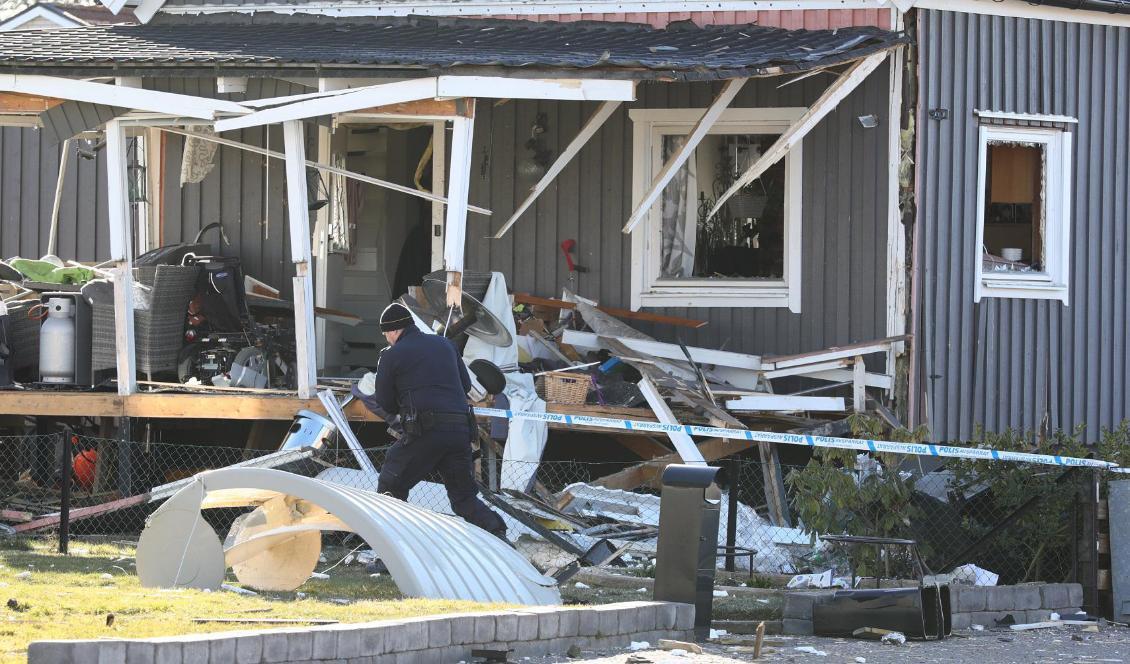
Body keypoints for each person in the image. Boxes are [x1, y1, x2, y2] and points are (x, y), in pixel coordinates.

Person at [352, 302, 508, 540]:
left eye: (386, 335)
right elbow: (466, 386)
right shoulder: (446, 345)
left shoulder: (391, 355)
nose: (387, 340)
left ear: (394, 331)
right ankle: (499, 535)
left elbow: (385, 402)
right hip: (460, 431)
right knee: (463, 498)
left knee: (390, 487)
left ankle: (390, 551)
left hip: (425, 431)